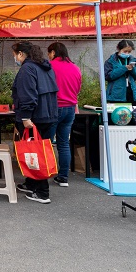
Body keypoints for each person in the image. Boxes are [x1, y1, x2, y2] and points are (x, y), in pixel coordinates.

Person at [11, 41, 59, 204]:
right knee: (37, 151)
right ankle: (31, 184)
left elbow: (27, 95)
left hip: (34, 117)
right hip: (48, 115)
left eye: (15, 54)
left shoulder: (27, 69)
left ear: (21, 54)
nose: (15, 57)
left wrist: (25, 117)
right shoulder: (45, 67)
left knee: (36, 154)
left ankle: (42, 192)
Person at [47, 42, 82, 188]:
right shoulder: (75, 67)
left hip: (54, 108)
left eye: (49, 53)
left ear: (53, 52)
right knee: (63, 144)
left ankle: (43, 176)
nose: (48, 56)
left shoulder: (50, 66)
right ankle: (63, 177)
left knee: (46, 143)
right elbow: (78, 89)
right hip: (70, 109)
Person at [104, 39, 136, 105]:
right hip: (116, 96)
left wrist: (133, 69)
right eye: (125, 51)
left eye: (129, 52)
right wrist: (124, 68)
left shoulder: (133, 60)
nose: (127, 53)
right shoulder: (110, 61)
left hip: (132, 94)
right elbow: (108, 76)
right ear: (119, 49)